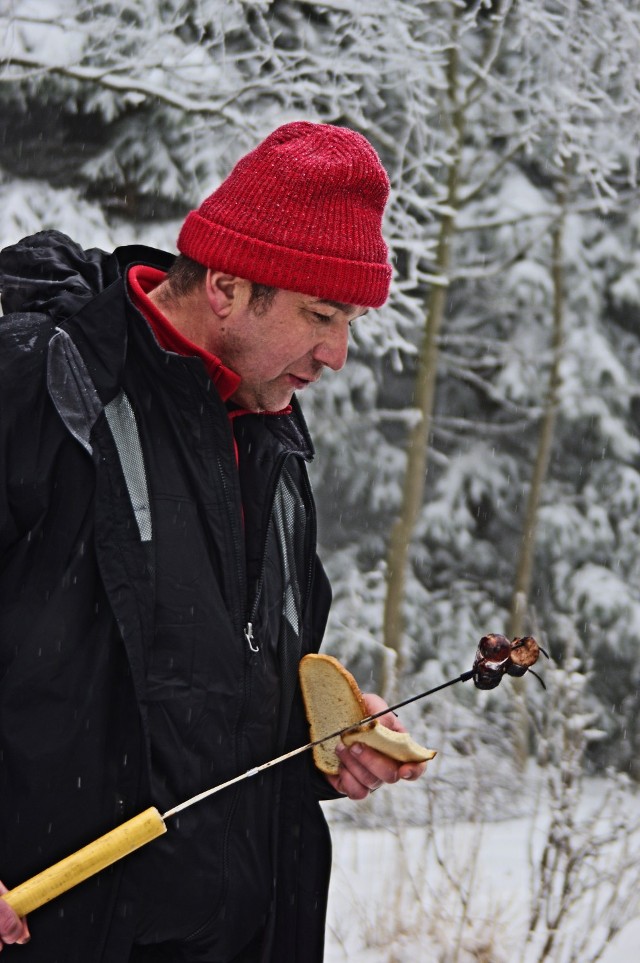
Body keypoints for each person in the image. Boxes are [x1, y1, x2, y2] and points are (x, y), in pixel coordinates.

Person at [0, 121, 426, 962]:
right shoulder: (42, 388)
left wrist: (321, 744)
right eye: (322, 314)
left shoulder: (273, 441)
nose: (338, 354)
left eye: (350, 322)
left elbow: (205, 689)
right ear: (228, 286)